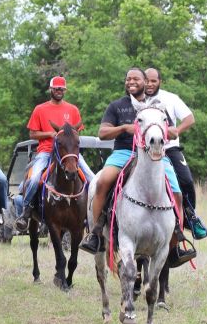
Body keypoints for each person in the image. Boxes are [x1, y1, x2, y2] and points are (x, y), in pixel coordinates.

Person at [79, 67, 192, 265]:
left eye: (136, 79)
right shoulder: (116, 106)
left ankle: (177, 240)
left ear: (145, 82)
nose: (131, 82)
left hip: (153, 155)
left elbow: (170, 130)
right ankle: (96, 232)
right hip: (123, 153)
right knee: (102, 182)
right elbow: (103, 133)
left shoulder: (157, 106)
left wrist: (172, 131)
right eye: (128, 79)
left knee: (177, 192)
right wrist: (124, 128)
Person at [12, 76, 95, 233]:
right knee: (35, 178)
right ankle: (26, 211)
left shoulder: (73, 110)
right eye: (56, 88)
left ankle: (93, 216)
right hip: (46, 151)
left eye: (61, 89)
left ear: (64, 91)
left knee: (92, 178)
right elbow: (32, 134)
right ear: (50, 89)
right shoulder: (40, 109)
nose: (59, 91)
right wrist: (49, 134)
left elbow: (76, 134)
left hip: (69, 153)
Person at [144, 67, 207, 240]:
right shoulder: (137, 100)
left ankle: (189, 218)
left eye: (153, 81)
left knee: (186, 180)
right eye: (147, 81)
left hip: (169, 148)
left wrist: (177, 130)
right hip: (143, 149)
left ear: (159, 82)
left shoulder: (170, 98)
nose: (149, 84)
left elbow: (190, 118)